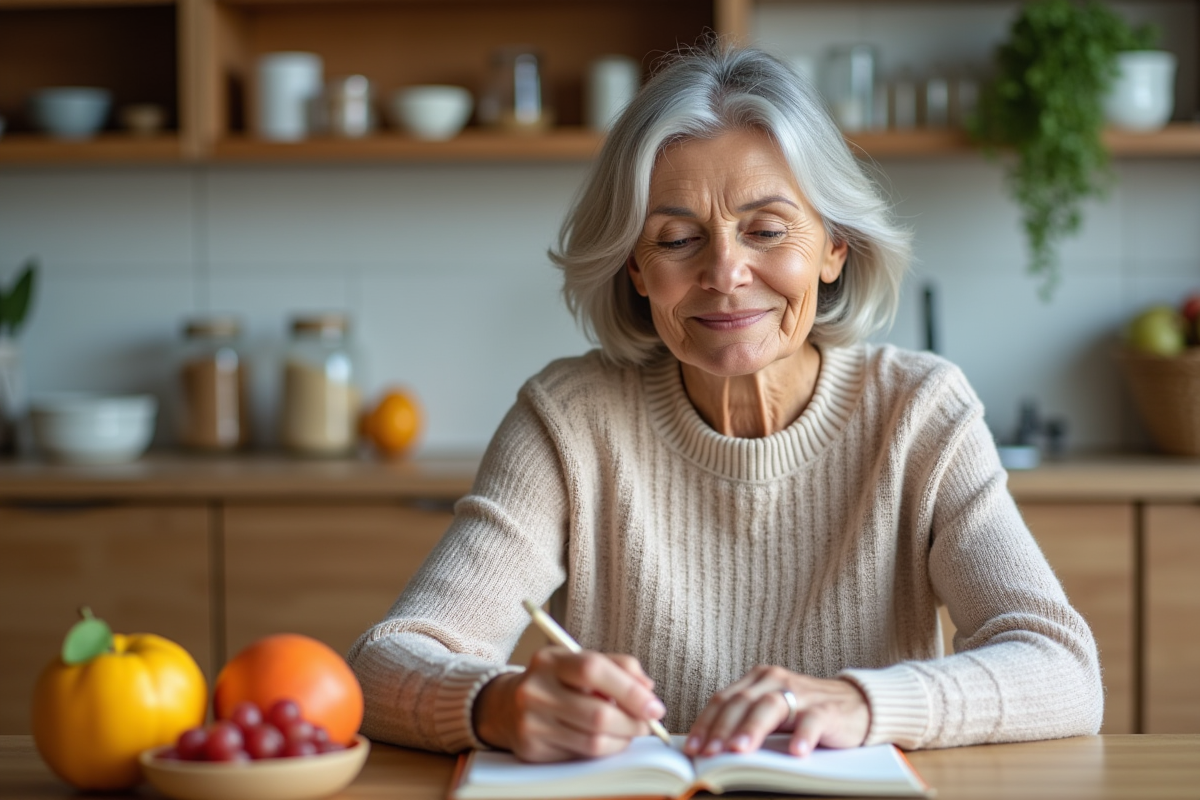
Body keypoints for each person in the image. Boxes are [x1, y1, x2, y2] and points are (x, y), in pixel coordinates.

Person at [347, 43, 1102, 763]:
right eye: (677, 240)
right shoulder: (569, 419)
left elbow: (1063, 670)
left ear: (834, 246)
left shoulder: (920, 412)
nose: (725, 272)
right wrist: (498, 704)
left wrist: (864, 703)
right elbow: (384, 664)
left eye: (766, 230)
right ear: (636, 268)